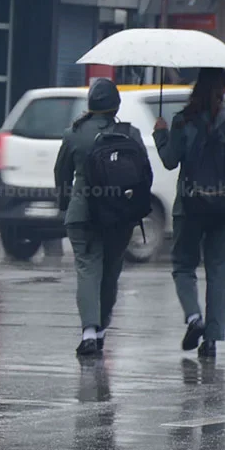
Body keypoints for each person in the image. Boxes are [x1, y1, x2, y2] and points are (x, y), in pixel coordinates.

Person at [154, 68, 225, 359]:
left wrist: (160, 133)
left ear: (197, 87)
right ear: (224, 89)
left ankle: (194, 318)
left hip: (190, 207)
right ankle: (211, 341)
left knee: (183, 266)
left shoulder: (182, 120)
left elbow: (168, 161)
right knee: (218, 273)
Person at [55, 79, 147, 358]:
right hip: (120, 216)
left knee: (87, 270)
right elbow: (145, 174)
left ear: (90, 105)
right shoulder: (131, 134)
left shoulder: (74, 134)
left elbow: (62, 174)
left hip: (83, 214)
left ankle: (89, 333)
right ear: (116, 105)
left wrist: (66, 203)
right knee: (110, 272)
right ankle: (102, 329)